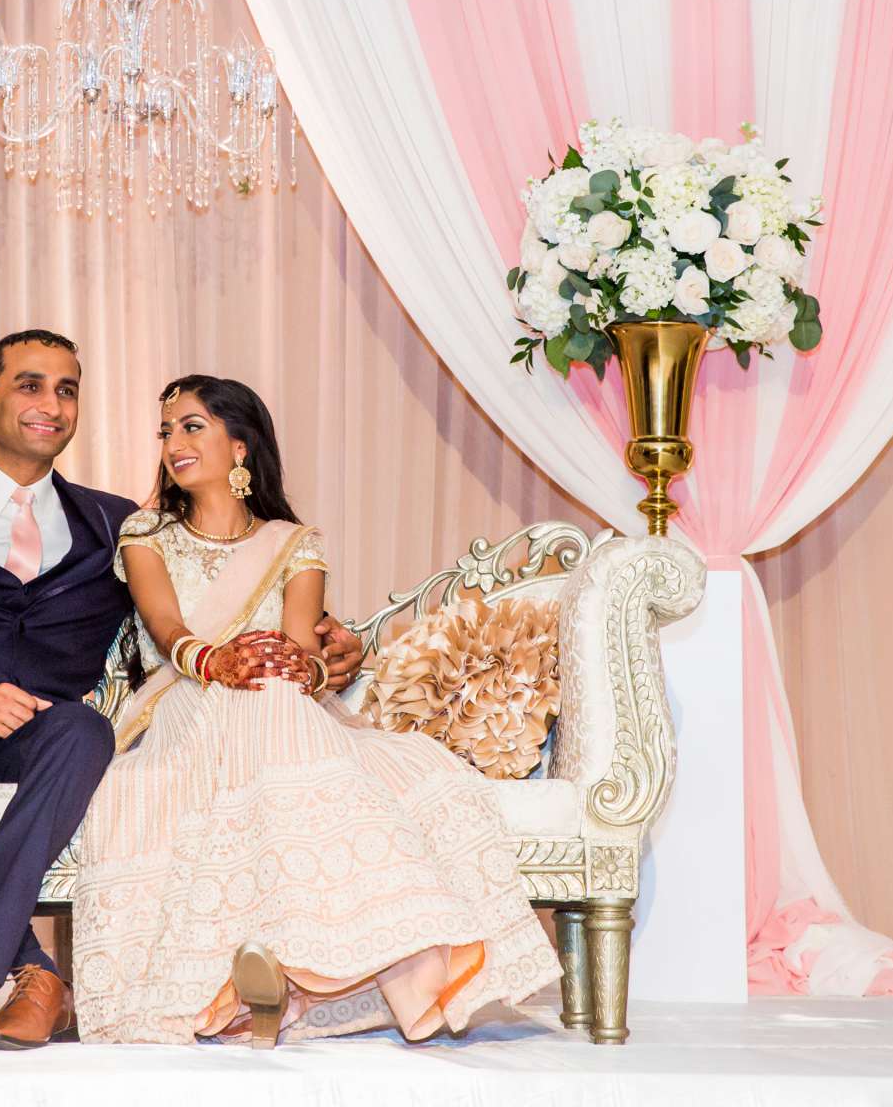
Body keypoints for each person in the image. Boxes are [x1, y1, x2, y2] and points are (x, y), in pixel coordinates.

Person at [0, 331, 367, 1054]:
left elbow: (218, 595)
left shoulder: (118, 524)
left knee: (86, 731)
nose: (52, 404)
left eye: (67, 389)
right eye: (30, 384)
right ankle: (37, 975)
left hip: (48, 742)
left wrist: (332, 642)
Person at [70, 374, 559, 1046]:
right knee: (266, 697)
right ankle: (387, 965)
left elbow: (300, 648)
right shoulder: (147, 532)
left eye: (191, 427)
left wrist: (299, 663)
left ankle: (282, 965)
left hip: (281, 704)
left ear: (239, 446)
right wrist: (219, 663)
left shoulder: (295, 541)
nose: (173, 443)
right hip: (185, 700)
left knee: (297, 705)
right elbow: (161, 624)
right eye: (165, 431)